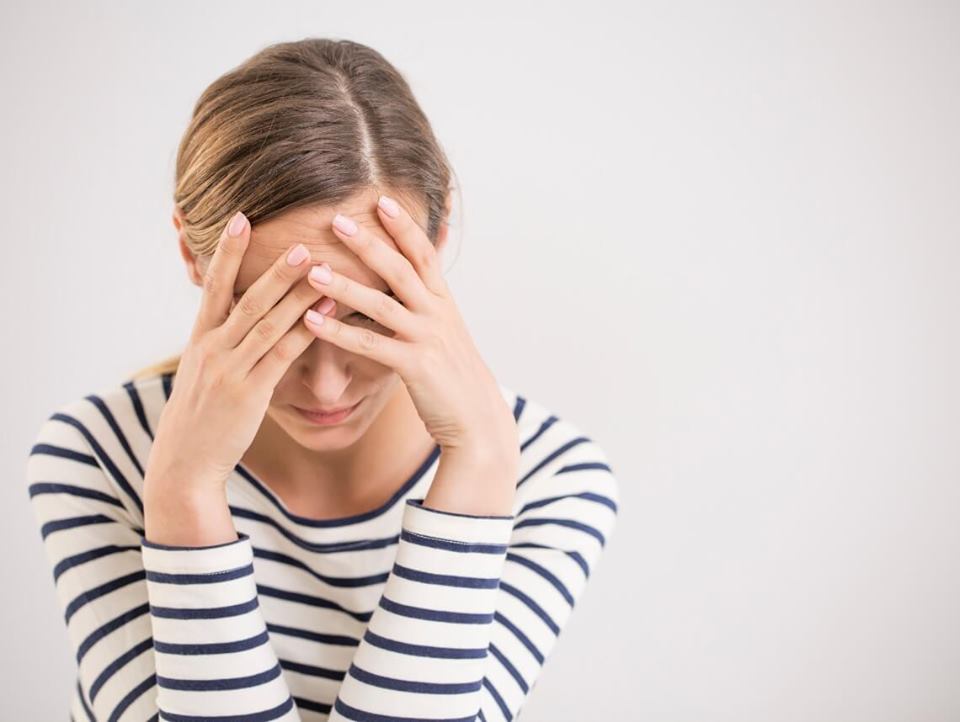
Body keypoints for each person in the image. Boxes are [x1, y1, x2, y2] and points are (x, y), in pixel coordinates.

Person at [26, 37, 620, 721]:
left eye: (369, 312)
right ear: (194, 253)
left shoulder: (549, 476)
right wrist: (185, 494)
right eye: (278, 318)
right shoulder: (98, 455)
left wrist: (479, 464)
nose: (328, 387)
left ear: (439, 234)